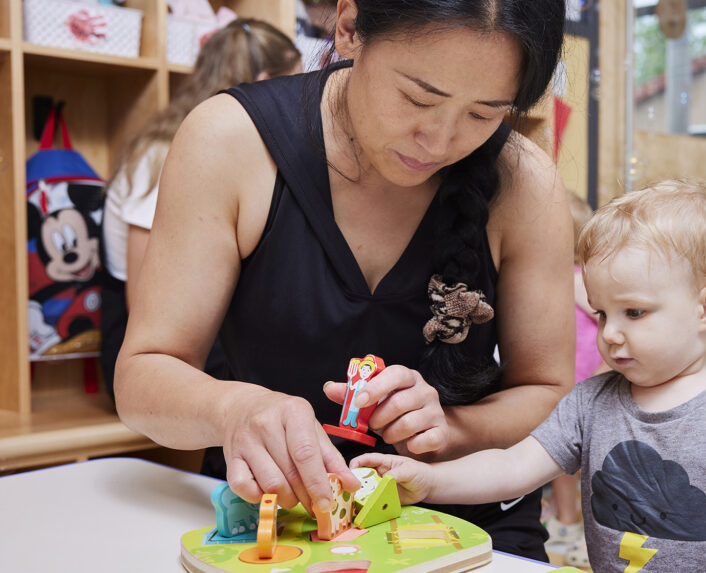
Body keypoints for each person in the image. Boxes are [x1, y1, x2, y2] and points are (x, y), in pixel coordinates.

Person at [113, 0, 573, 561]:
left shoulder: (523, 180)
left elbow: (550, 394)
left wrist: (453, 428)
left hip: (463, 529)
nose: (439, 140)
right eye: (418, 97)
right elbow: (141, 378)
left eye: (483, 114)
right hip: (274, 521)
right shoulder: (233, 142)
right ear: (350, 28)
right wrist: (233, 409)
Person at [352, 179, 706, 572]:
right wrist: (429, 481)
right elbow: (512, 468)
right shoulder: (590, 402)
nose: (610, 334)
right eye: (603, 314)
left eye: (635, 313)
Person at [100, 19, 302, 396]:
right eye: (294, 83)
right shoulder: (163, 156)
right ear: (264, 82)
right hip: (140, 357)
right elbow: (148, 312)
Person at [543, 192, 609, 566]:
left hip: (581, 378)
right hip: (571, 377)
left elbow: (602, 319)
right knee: (567, 459)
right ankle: (566, 518)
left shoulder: (577, 279)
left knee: (570, 460)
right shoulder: (569, 279)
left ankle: (569, 523)